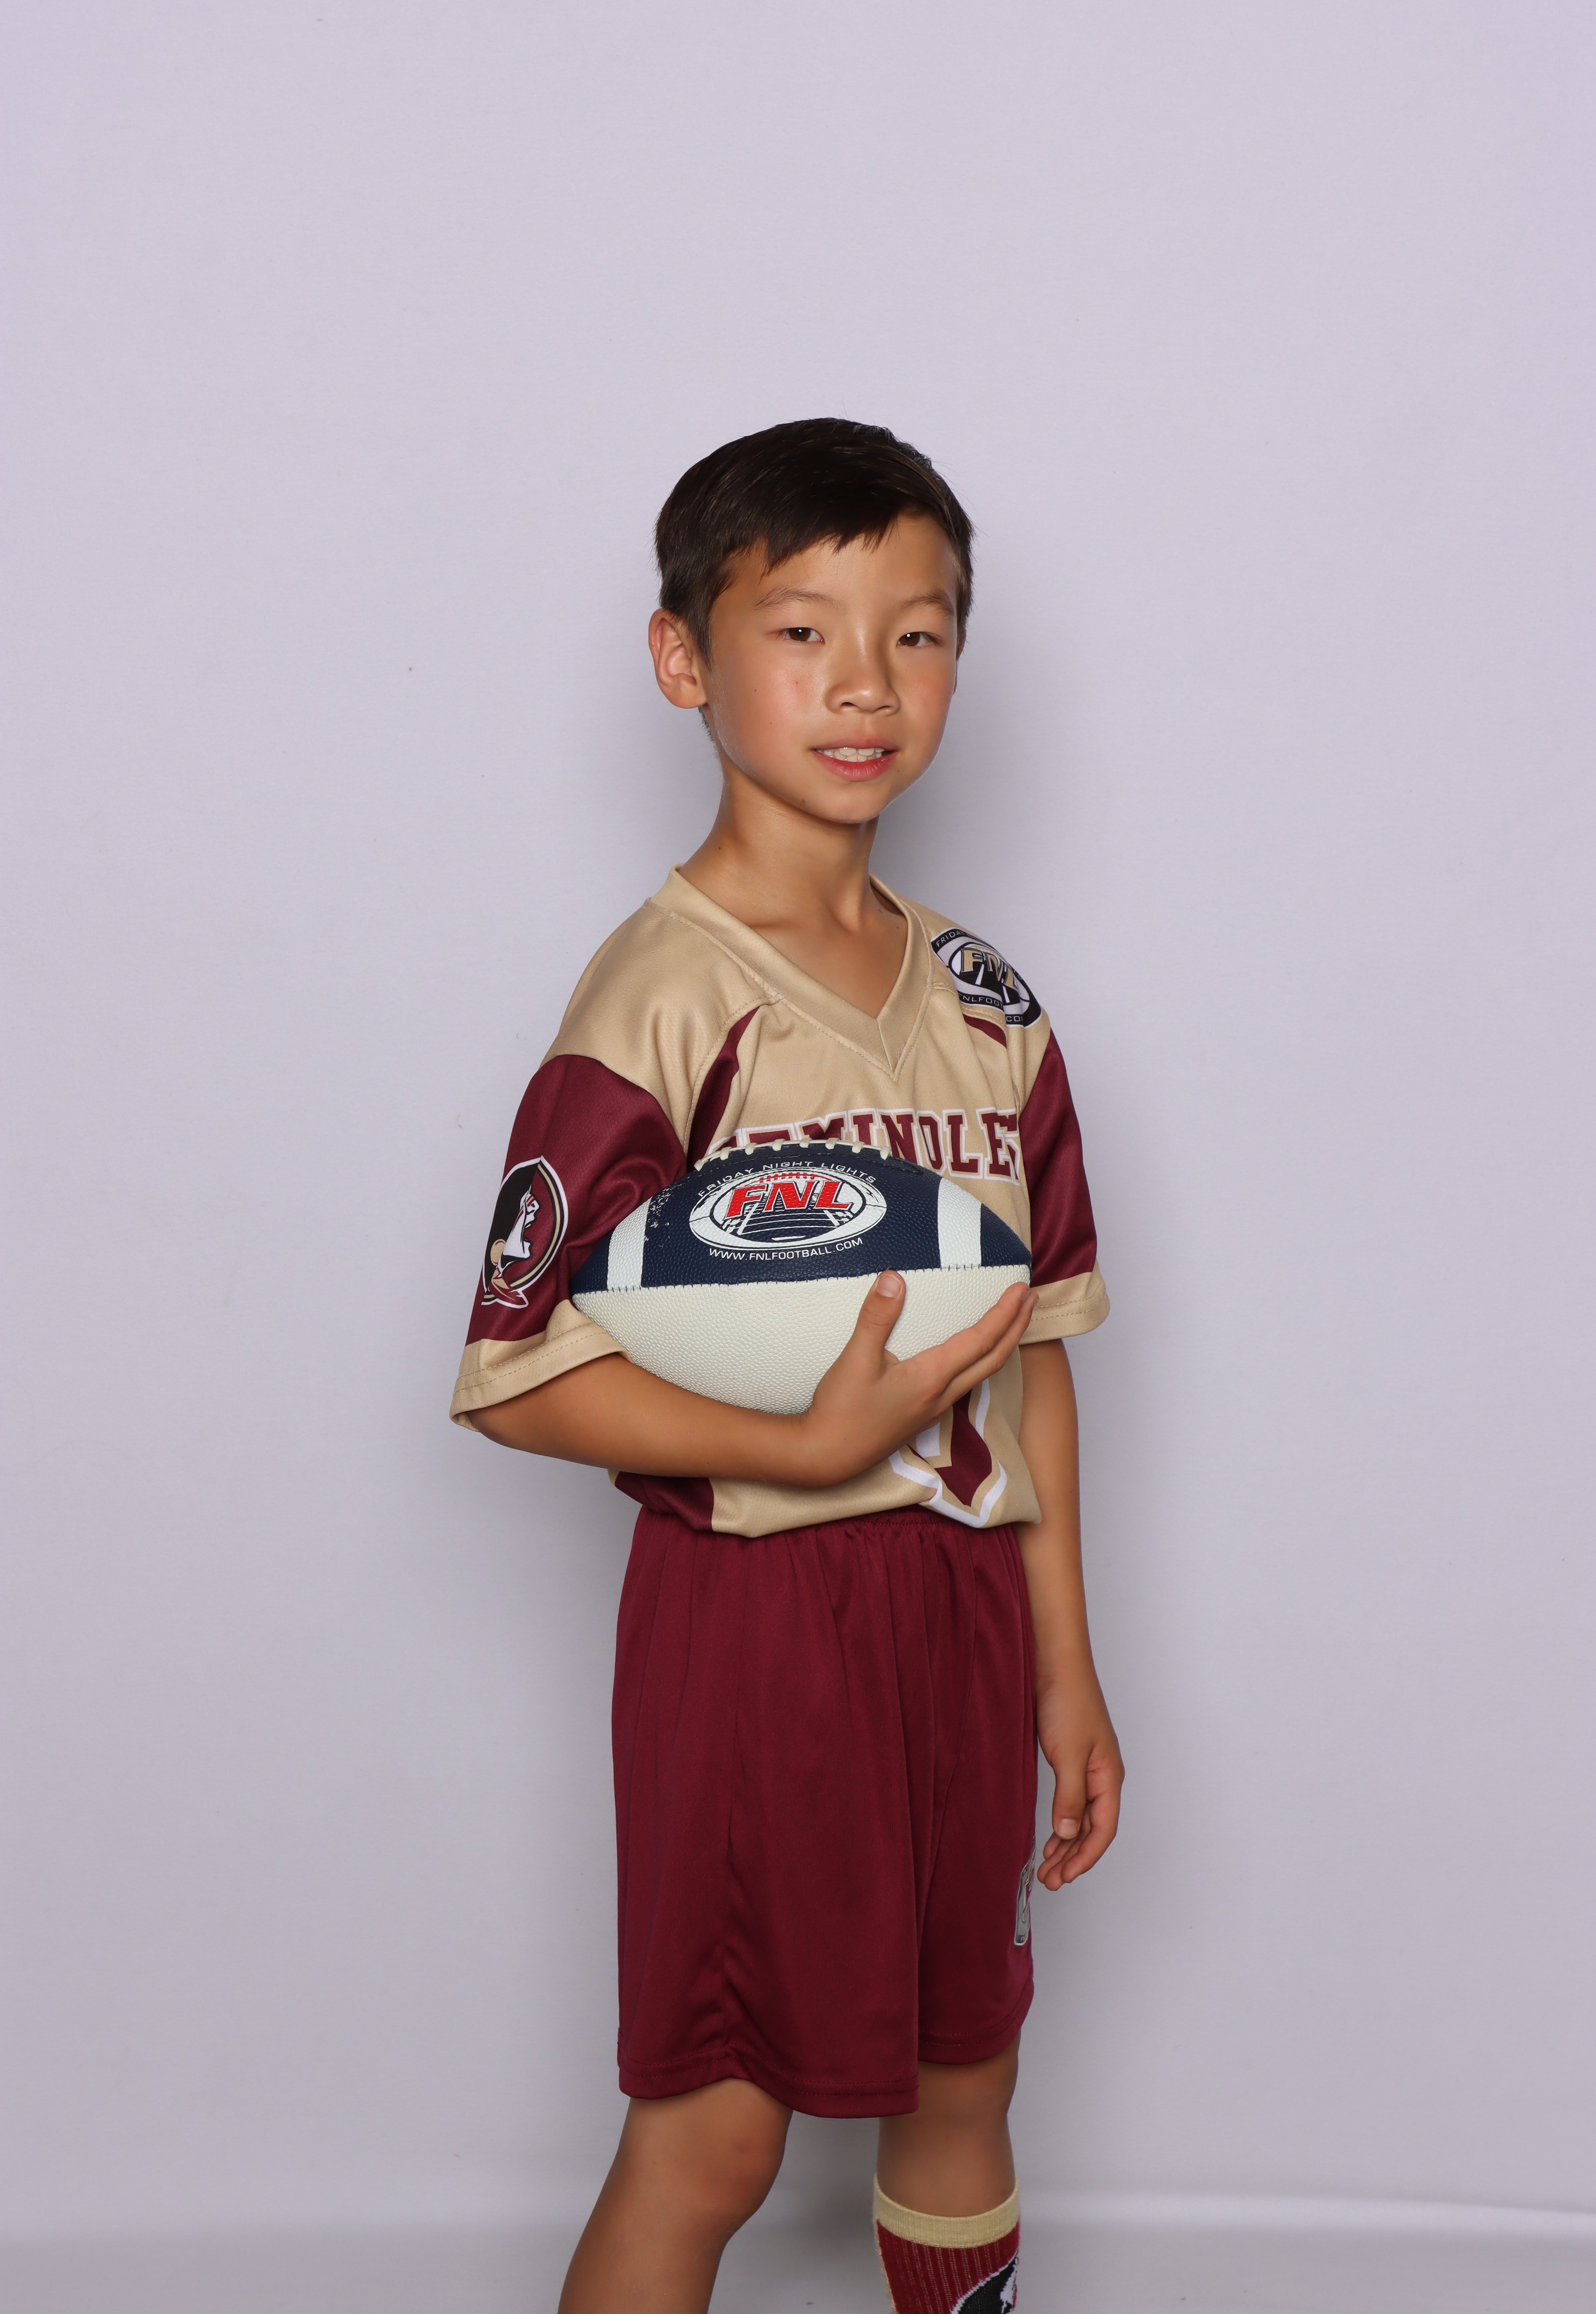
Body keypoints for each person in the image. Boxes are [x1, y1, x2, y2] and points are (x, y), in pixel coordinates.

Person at [450, 418, 1123, 2314]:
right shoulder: (659, 996)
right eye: (804, 629)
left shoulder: (990, 1003)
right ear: (686, 658)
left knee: (966, 2077)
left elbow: (1033, 1356)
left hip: (962, 1613)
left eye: (918, 633)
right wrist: (805, 1443)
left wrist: (1066, 1666)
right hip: (756, 1621)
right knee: (719, 2133)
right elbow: (518, 1372)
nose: (865, 683)